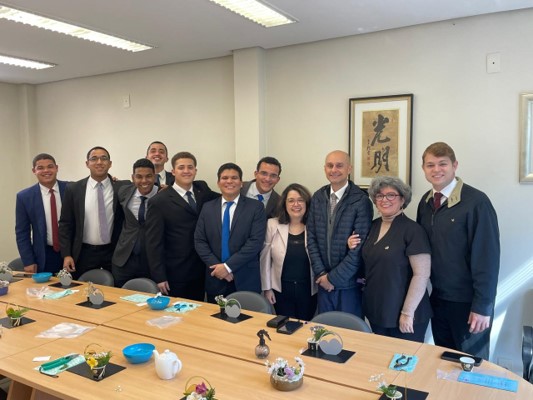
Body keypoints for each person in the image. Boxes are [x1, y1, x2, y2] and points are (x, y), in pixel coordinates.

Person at [417, 142, 500, 359]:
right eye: (430, 165)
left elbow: (487, 259)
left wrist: (482, 306)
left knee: (471, 367)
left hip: (468, 304)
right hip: (438, 300)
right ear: (424, 169)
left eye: (442, 164)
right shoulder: (425, 203)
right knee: (445, 362)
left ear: (455, 165)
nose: (436, 170)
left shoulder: (476, 202)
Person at [348, 176, 431, 342]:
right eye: (379, 196)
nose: (384, 200)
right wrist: (351, 244)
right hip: (377, 310)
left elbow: (421, 275)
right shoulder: (371, 226)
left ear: (402, 199)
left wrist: (407, 313)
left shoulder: (413, 230)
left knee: (404, 364)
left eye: (391, 195)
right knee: (381, 361)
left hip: (405, 313)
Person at [307, 150, 372, 317]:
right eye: (330, 165)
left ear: (349, 169)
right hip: (323, 283)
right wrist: (322, 275)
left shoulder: (361, 200)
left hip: (349, 285)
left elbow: (359, 248)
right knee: (325, 333)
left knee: (350, 336)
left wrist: (332, 279)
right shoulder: (318, 196)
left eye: (339, 165)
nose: (334, 169)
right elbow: (311, 238)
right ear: (324, 169)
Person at [145, 151, 219, 300]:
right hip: (175, 273)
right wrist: (159, 276)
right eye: (181, 167)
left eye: (190, 167)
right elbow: (153, 243)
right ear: (173, 171)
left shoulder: (202, 190)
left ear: (195, 171)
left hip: (203, 269)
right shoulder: (159, 202)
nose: (186, 171)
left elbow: (226, 194)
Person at [195, 162, 266, 303]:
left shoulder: (256, 207)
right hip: (215, 277)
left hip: (245, 279)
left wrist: (228, 267)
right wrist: (219, 268)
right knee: (216, 323)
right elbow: (199, 241)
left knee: (246, 323)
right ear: (218, 182)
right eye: (224, 178)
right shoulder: (207, 208)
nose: (229, 181)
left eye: (234, 178)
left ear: (241, 183)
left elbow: (255, 242)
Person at [59, 146, 125, 279]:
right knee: (83, 292)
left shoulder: (122, 187)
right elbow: (65, 224)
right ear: (87, 163)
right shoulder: (74, 189)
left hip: (114, 252)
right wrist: (66, 254)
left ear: (110, 163)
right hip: (84, 253)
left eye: (104, 158)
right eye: (94, 159)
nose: (99, 162)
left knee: (116, 291)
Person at [260, 183, 317, 321]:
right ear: (284, 204)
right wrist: (267, 289)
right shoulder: (272, 224)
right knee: (284, 328)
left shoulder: (315, 225)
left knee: (305, 327)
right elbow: (265, 259)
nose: (295, 204)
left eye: (300, 200)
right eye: (291, 200)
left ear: (307, 203)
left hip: (309, 291)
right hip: (281, 290)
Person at [15, 153, 68, 274]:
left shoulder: (72, 188)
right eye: (40, 168)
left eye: (50, 166)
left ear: (56, 168)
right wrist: (28, 261)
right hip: (44, 255)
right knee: (46, 292)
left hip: (71, 255)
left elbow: (93, 186)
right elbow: (22, 232)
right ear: (34, 171)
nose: (46, 171)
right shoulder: (24, 197)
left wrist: (112, 180)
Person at [111, 159, 158, 288]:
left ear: (154, 176)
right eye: (139, 177)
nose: (144, 181)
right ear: (132, 178)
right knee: (119, 300)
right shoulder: (123, 191)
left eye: (148, 176)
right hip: (124, 259)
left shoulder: (164, 195)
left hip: (151, 261)